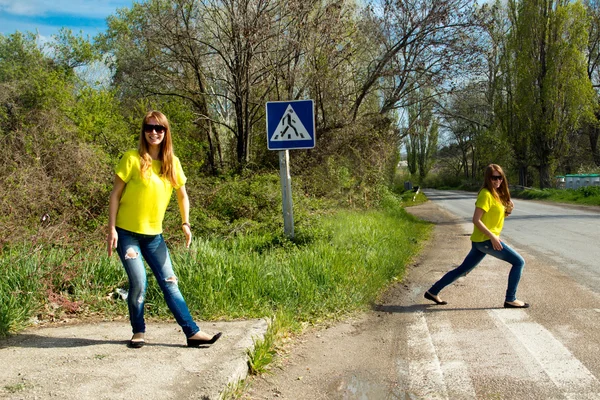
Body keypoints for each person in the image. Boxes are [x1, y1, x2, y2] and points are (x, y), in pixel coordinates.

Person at [107, 110, 222, 348]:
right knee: (139, 282)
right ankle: (138, 331)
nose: (154, 132)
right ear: (143, 131)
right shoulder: (132, 159)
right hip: (127, 233)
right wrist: (111, 229)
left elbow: (183, 196)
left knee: (170, 282)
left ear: (166, 132)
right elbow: (115, 195)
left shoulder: (172, 164)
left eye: (159, 128)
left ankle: (192, 332)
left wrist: (185, 223)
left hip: (154, 237)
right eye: (149, 127)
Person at [424, 164, 529, 308]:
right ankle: (511, 298)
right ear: (488, 178)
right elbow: (476, 219)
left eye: (500, 177)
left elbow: (492, 219)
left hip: (481, 241)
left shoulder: (496, 195)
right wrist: (492, 237)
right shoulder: (485, 194)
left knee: (463, 270)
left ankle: (433, 291)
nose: (497, 181)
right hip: (486, 240)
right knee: (519, 262)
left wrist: (508, 211)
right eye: (494, 178)